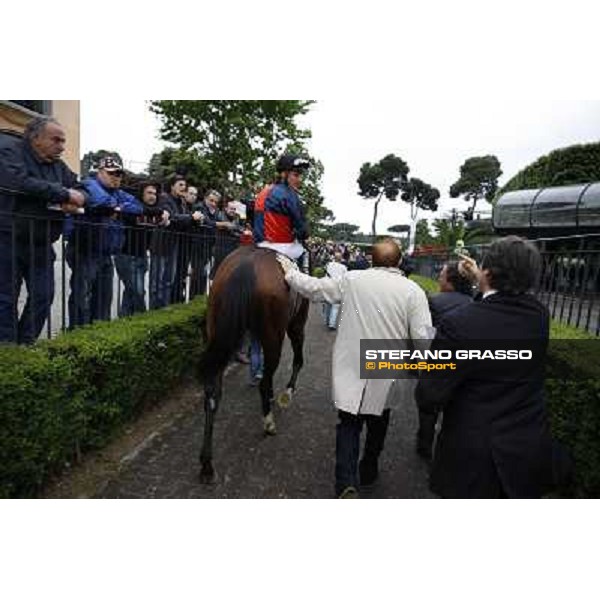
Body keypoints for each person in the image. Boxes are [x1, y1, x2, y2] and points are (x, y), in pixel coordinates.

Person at [278, 238, 432, 498]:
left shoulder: (353, 280)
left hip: (353, 365)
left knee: (348, 424)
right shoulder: (413, 290)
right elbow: (423, 339)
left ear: (372, 259)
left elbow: (315, 289)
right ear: (399, 262)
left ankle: (345, 482)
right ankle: (369, 469)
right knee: (379, 420)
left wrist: (290, 272)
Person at [416, 236, 559, 498]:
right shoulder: (538, 315)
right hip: (525, 452)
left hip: (474, 461)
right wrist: (480, 282)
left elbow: (430, 394)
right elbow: (497, 313)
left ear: (488, 272)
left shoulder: (459, 324)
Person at [0, 117, 87, 343]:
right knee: (6, 298)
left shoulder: (58, 165)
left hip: (41, 241)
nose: (62, 146)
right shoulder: (11, 150)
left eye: (63, 141)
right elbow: (16, 182)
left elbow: (80, 188)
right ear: (35, 138)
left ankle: (25, 343)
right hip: (8, 239)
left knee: (44, 295)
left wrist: (77, 198)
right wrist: (63, 194)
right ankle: (8, 350)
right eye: (56, 140)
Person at [66, 156, 143, 327]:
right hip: (85, 250)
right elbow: (97, 200)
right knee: (82, 298)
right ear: (100, 172)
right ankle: (77, 333)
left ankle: (98, 335)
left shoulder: (118, 193)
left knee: (103, 299)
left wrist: (117, 208)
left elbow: (137, 207)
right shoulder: (88, 184)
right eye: (112, 174)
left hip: (107, 253)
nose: (117, 177)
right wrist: (116, 207)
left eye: (119, 174)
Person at [416, 261, 473, 459]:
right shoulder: (474, 302)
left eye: (441, 275)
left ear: (450, 281)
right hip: (464, 364)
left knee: (428, 407)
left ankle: (424, 445)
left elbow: (425, 335)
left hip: (437, 362)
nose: (439, 278)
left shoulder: (434, 301)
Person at [115, 182, 168, 316]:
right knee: (138, 291)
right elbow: (136, 210)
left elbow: (164, 217)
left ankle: (124, 318)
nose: (153, 196)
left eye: (155, 194)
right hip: (126, 255)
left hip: (141, 256)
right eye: (149, 193)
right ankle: (142, 318)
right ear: (141, 194)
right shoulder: (133, 206)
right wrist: (161, 212)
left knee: (131, 290)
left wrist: (164, 215)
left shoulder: (155, 211)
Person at [253, 154, 310, 266]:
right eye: (296, 175)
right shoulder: (290, 195)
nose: (300, 180)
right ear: (284, 174)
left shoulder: (263, 192)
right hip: (283, 247)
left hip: (259, 245)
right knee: (305, 253)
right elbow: (302, 230)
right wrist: (304, 234)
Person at [323, 251, 347, 330]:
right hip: (337, 287)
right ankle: (332, 324)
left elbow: (325, 274)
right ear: (341, 258)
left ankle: (327, 321)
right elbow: (345, 279)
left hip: (328, 286)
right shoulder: (343, 267)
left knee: (327, 305)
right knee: (335, 306)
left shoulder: (329, 265)